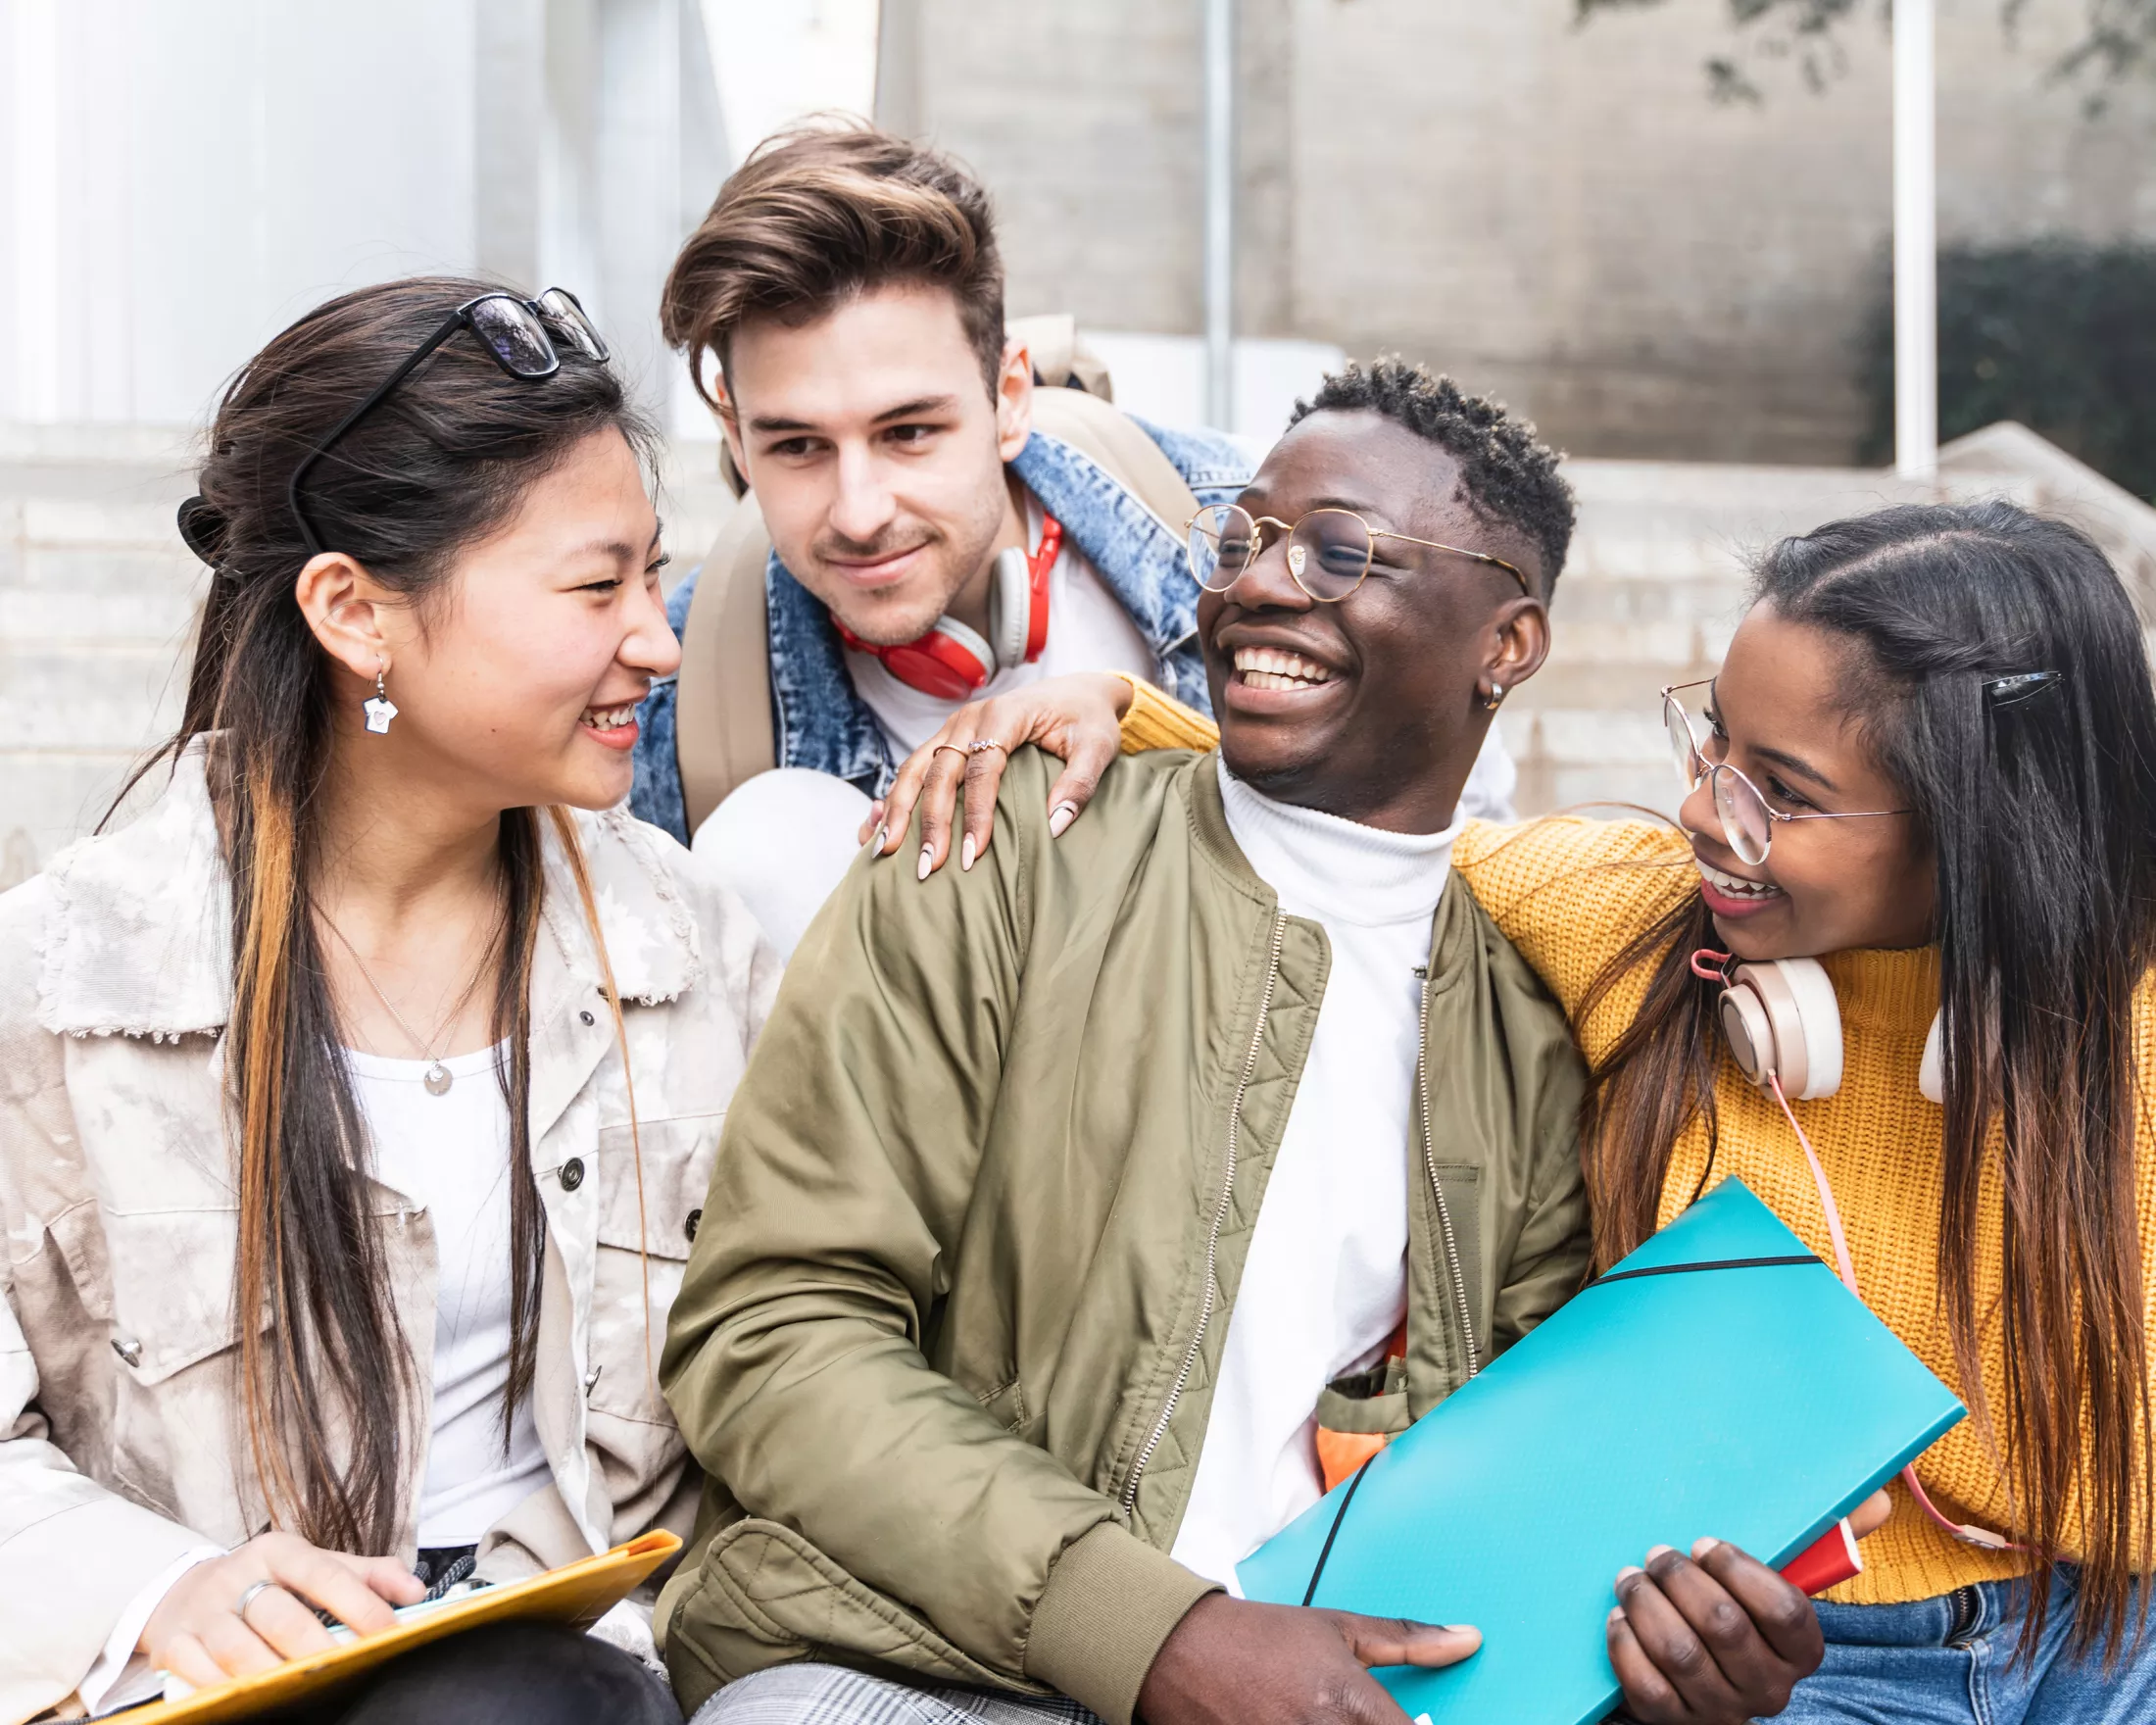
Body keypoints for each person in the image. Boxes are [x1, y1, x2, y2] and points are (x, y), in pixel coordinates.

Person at [655, 361, 1827, 1725]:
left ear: (1507, 645)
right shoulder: (1003, 842)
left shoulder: (1538, 1010)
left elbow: (1526, 1490)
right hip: (930, 1662)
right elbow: (772, 1329)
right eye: (1243, 541)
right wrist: (1157, 1634)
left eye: (1343, 553)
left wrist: (1658, 1682)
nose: (1260, 585)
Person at [916, 496, 2156, 1722]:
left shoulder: (2133, 1036)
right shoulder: (1625, 915)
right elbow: (1375, 843)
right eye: (1713, 743)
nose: (1698, 811)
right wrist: (1117, 710)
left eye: (1779, 789)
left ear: (1991, 828)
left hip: (2116, 1628)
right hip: (1764, 1653)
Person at [0, 277, 779, 1724]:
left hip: (589, 1677)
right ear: (356, 611)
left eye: (653, 579)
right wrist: (153, 1589)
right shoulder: (55, 990)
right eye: (594, 587)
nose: (657, 642)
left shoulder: (690, 947)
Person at [627, 122, 1517, 955]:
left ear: (1008, 397)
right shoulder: (683, 686)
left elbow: (1462, 843)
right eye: (797, 446)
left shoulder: (1244, 523)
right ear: (736, 439)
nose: (859, 513)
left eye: (909, 433)